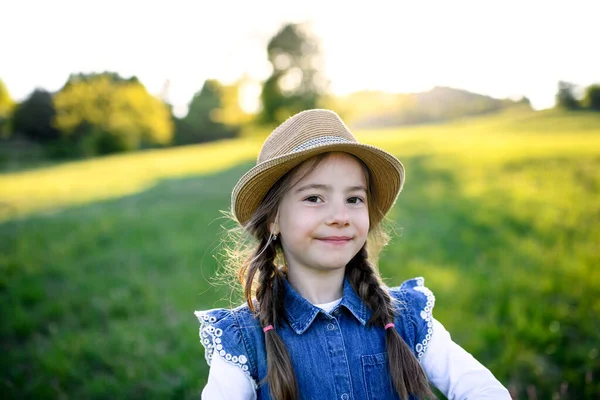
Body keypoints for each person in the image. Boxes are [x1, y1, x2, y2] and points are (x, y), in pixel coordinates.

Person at [195, 109, 510, 399]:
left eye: (354, 199)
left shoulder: (405, 317)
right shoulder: (244, 339)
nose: (340, 216)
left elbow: (481, 389)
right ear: (273, 218)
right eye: (315, 197)